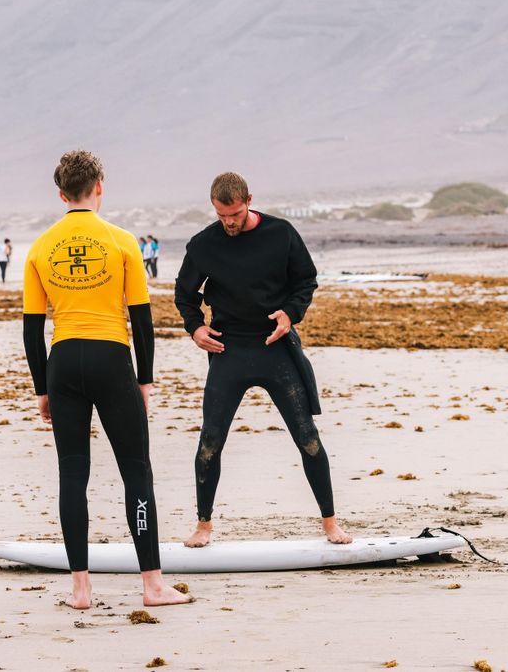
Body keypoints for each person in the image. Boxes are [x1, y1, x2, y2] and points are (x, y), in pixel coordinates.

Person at [22, 149, 192, 610]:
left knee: (72, 475)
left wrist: (42, 388)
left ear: (60, 194)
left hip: (62, 363)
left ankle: (80, 589)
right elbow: (141, 319)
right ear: (100, 186)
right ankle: (152, 586)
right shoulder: (121, 242)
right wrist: (145, 379)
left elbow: (32, 328)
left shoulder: (40, 248)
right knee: (136, 472)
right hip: (112, 360)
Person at [174, 171, 352, 548]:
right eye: (222, 216)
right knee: (210, 442)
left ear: (249, 200)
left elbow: (306, 281)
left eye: (235, 214)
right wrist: (195, 328)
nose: (229, 223)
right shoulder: (204, 245)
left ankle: (331, 523)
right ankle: (203, 526)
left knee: (308, 438)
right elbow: (184, 294)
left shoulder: (281, 234)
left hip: (275, 348)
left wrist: (290, 313)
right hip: (228, 351)